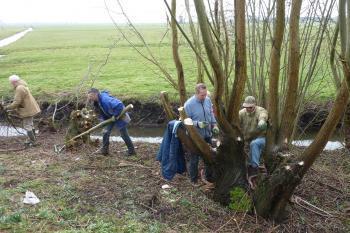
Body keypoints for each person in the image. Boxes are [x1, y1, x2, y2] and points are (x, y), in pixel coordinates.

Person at [184, 83, 219, 184]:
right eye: (202, 95)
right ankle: (193, 181)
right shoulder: (189, 104)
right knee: (194, 159)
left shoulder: (207, 100)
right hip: (195, 137)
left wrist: (214, 125)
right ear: (196, 93)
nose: (204, 97)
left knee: (209, 156)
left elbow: (211, 113)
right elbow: (184, 121)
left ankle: (209, 178)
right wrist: (198, 124)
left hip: (207, 134)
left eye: (205, 94)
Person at [87, 88, 136, 156]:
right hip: (110, 117)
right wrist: (105, 120)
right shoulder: (97, 101)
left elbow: (119, 104)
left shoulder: (105, 100)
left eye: (91, 96)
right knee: (105, 132)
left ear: (96, 94)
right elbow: (102, 110)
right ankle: (105, 151)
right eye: (89, 96)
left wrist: (115, 115)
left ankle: (132, 152)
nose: (90, 98)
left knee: (123, 134)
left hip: (120, 115)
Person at [5, 75, 41, 147]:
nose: (11, 84)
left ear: (14, 82)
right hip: (31, 108)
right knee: (30, 124)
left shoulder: (19, 88)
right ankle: (33, 139)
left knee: (27, 125)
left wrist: (7, 107)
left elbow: (17, 102)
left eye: (11, 83)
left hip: (27, 110)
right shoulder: (23, 85)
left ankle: (33, 142)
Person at [239, 96, 268, 177]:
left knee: (254, 144)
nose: (248, 109)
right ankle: (248, 172)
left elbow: (263, 115)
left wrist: (262, 121)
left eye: (250, 107)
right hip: (246, 140)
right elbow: (235, 122)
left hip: (260, 138)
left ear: (255, 105)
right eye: (246, 107)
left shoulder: (260, 110)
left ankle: (255, 168)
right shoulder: (241, 113)